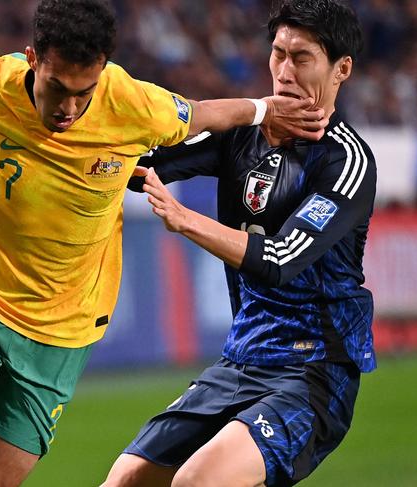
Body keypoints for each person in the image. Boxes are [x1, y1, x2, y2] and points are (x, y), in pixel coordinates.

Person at [0, 1, 327, 486]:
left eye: (85, 91)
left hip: (64, 328)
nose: (70, 107)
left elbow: (204, 113)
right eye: (57, 88)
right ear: (33, 59)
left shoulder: (133, 104)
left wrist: (264, 110)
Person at [102, 1, 375, 486]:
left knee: (195, 483)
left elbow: (278, 259)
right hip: (241, 359)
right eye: (278, 54)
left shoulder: (345, 161)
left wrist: (185, 219)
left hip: (312, 373)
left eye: (302, 58)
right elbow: (129, 166)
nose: (284, 72)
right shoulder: (242, 135)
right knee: (124, 480)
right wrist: (245, 112)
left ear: (342, 70)